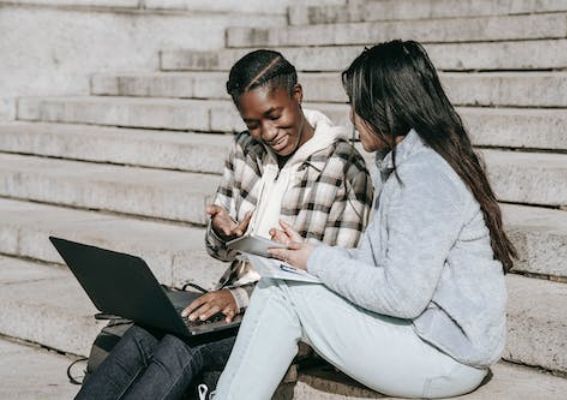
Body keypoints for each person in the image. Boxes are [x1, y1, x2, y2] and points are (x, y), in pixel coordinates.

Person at [213, 40, 517, 400]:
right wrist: (305, 253)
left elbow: (401, 297)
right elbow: (374, 263)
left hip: (444, 357)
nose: (352, 118)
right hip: (424, 337)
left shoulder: (426, 176)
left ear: (384, 107)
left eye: (355, 105)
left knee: (282, 295)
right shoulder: (407, 164)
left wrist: (315, 261)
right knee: (281, 286)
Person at [74, 49, 373, 400]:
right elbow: (219, 251)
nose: (267, 132)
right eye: (253, 123)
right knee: (143, 333)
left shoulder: (344, 167)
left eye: (274, 115)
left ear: (297, 95)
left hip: (296, 323)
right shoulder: (245, 149)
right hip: (234, 305)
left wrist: (239, 297)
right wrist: (222, 234)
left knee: (183, 345)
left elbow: (331, 279)